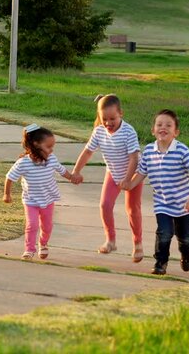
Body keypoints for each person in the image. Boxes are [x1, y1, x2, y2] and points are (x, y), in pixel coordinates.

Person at [128, 109, 189, 275]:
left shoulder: (181, 150)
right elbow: (141, 172)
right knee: (164, 233)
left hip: (183, 203)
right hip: (162, 203)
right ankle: (160, 263)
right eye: (159, 124)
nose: (163, 127)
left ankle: (187, 255)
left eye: (168, 125)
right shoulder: (148, 151)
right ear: (153, 130)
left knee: (185, 237)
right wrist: (129, 185)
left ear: (176, 132)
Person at [71, 94, 144, 262]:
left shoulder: (128, 131)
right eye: (104, 119)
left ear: (121, 114)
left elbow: (134, 157)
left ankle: (137, 243)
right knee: (105, 205)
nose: (108, 123)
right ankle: (111, 240)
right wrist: (76, 171)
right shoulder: (99, 131)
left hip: (132, 174)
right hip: (113, 172)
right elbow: (88, 151)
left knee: (132, 209)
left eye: (113, 118)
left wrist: (128, 180)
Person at [3, 124, 78, 260]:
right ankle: (29, 250)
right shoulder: (23, 163)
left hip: (48, 199)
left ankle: (43, 244)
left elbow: (62, 171)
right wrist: (7, 194)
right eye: (48, 147)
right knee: (32, 225)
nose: (51, 150)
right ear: (36, 145)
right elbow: (9, 177)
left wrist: (72, 177)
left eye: (52, 146)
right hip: (30, 200)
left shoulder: (51, 159)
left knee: (47, 226)